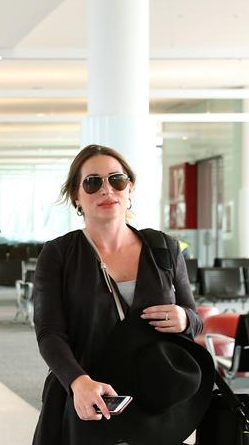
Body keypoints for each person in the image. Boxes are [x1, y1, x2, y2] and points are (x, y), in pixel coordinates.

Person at [32, 144, 208, 445]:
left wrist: (183, 318)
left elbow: (194, 318)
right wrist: (78, 381)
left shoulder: (164, 248)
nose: (106, 190)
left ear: (129, 189)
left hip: (153, 396)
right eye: (92, 182)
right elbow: (49, 333)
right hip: (90, 396)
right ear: (76, 195)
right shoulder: (58, 254)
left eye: (116, 179)